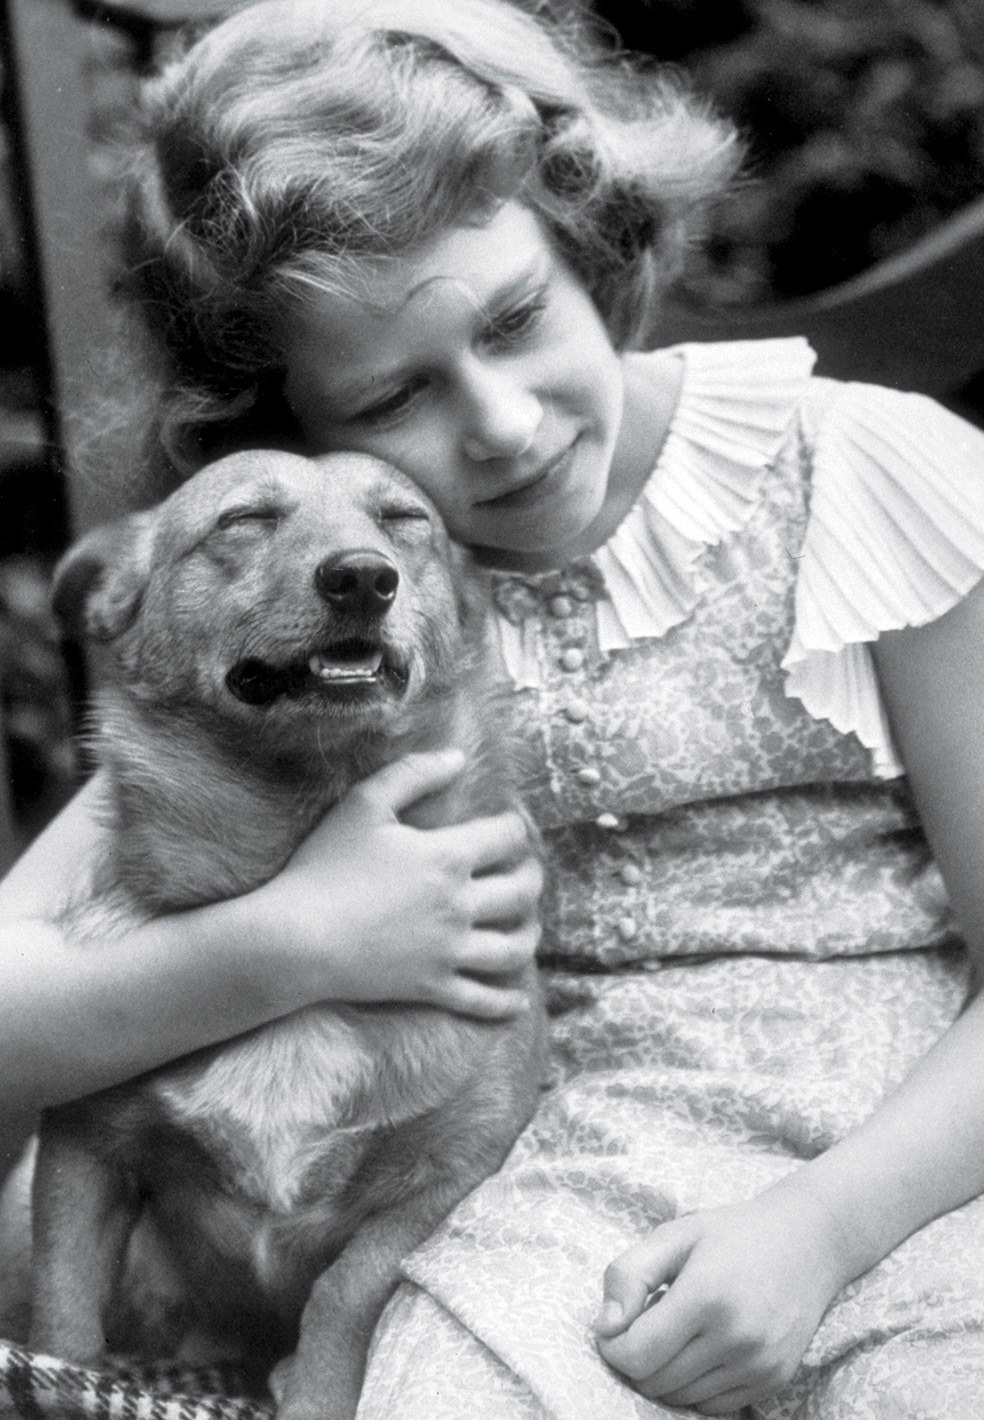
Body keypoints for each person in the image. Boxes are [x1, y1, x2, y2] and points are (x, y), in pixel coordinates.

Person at [3, 1, 984, 1416]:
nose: (506, 424)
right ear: (288, 425)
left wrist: (824, 1228)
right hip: (552, 1190)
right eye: (396, 394)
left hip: (910, 1164)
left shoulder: (864, 478)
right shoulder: (340, 624)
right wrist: (286, 940)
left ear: (586, 242)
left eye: (518, 318)